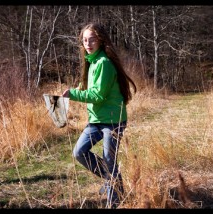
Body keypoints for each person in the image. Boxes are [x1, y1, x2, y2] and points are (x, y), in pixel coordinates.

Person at [62, 23, 137, 209]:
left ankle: (114, 203)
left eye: (92, 39)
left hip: (113, 120)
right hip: (96, 120)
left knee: (109, 159)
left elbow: (98, 95)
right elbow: (87, 88)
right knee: (79, 152)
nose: (88, 43)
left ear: (101, 40)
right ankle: (114, 182)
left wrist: (73, 94)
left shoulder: (103, 63)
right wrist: (75, 90)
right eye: (85, 40)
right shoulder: (92, 61)